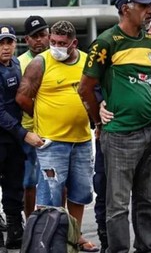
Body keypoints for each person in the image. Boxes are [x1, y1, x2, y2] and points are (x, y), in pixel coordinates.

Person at [77, 0, 151, 253]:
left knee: (148, 202)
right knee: (117, 205)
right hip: (121, 135)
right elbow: (84, 88)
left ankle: (146, 248)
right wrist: (99, 119)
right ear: (126, 8)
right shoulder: (105, 42)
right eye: (144, 6)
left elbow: (144, 81)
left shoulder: (149, 41)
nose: (150, 11)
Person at [93, 14, 151, 253]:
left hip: (150, 131)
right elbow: (93, 82)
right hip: (116, 130)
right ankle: (108, 243)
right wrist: (99, 105)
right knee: (107, 191)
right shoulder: (124, 45)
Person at [15, 20, 98, 252]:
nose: (56, 47)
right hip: (51, 142)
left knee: (80, 193)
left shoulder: (85, 61)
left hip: (81, 140)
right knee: (50, 196)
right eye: (53, 42)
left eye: (62, 43)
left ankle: (74, 237)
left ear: (74, 43)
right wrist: (44, 115)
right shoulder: (40, 63)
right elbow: (22, 97)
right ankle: (48, 241)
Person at [0, 25, 44, 252]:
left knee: (14, 185)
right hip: (7, 134)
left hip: (15, 138)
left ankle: (15, 231)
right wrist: (23, 133)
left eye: (8, 42)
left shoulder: (17, 64)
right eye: (1, 43)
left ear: (15, 44)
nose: (5, 47)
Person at [17, 15, 49, 219]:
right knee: (29, 183)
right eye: (34, 36)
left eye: (42, 35)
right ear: (26, 40)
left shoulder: (58, 58)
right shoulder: (18, 63)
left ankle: (58, 224)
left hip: (56, 132)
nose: (39, 40)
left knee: (57, 183)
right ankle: (30, 225)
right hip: (28, 132)